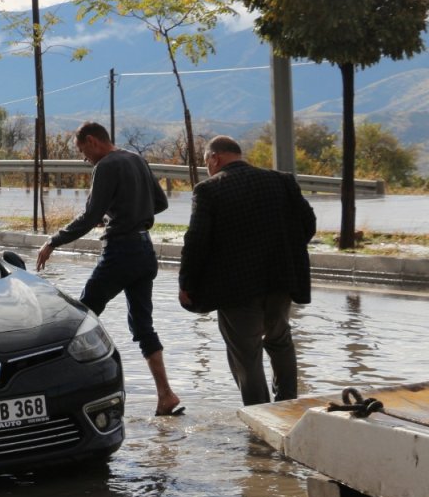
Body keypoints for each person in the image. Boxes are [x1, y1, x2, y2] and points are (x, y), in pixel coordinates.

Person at [35, 121, 183, 417]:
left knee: (80, 317)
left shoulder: (105, 166)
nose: (84, 158)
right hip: (144, 250)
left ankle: (62, 394)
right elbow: (161, 202)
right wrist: (129, 211)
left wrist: (54, 241)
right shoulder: (136, 159)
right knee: (143, 326)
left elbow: (90, 216)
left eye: (82, 151)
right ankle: (165, 394)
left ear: (92, 141)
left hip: (120, 251)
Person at [179, 136, 316, 406]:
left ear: (214, 158)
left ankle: (260, 416)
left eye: (207, 162)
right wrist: (284, 251)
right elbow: (308, 224)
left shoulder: (209, 190)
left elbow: (196, 241)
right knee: (280, 340)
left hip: (235, 289)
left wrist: (187, 284)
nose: (208, 167)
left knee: (246, 354)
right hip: (281, 280)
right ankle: (288, 405)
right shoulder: (282, 181)